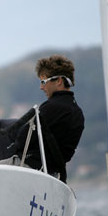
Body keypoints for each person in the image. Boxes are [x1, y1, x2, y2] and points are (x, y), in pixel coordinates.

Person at [10, 54, 84, 182]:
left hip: (30, 169)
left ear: (59, 81)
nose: (41, 87)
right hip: (53, 175)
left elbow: (22, 139)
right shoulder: (78, 113)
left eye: (43, 82)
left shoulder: (52, 107)